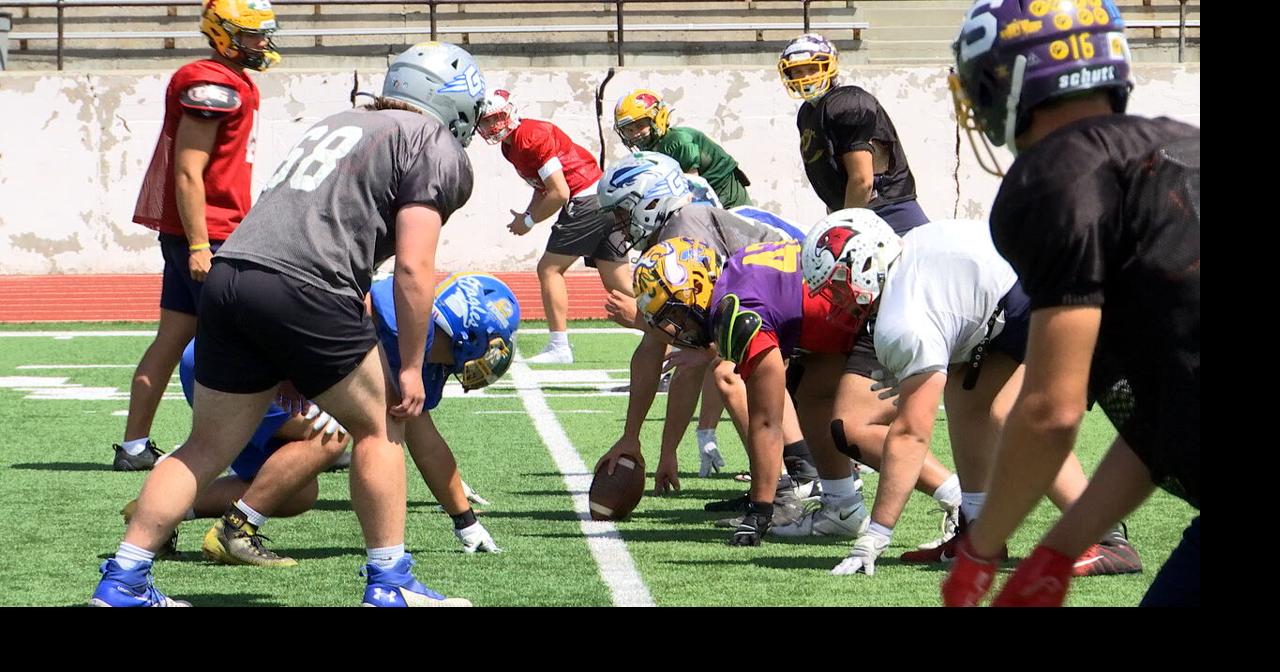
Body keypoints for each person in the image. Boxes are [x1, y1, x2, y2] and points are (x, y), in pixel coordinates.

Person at [90, 41, 485, 608]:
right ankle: (390, 584)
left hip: (231, 276)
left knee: (203, 446)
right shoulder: (431, 143)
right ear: (449, 100)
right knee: (381, 428)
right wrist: (415, 365)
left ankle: (123, 582)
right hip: (306, 283)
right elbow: (415, 266)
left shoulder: (340, 121)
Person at [941, 0, 1199, 607]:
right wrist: (1062, 546)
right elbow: (1161, 421)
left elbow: (1051, 411)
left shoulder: (1055, 176)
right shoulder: (1181, 148)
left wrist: (983, 547)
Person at [113, 0, 280, 471]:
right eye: (251, 34)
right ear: (222, 33)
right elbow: (188, 172)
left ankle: (133, 446)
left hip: (204, 232)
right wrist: (201, 245)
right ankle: (234, 447)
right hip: (208, 234)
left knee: (173, 335)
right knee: (238, 343)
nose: (262, 42)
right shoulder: (211, 83)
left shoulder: (234, 79)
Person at [477, 89, 630, 365]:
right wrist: (527, 213)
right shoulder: (511, 145)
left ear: (509, 112)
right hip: (602, 199)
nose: (492, 126)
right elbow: (543, 186)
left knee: (549, 269)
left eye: (496, 118)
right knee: (619, 284)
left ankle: (559, 345)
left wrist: (529, 221)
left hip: (587, 199)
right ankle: (671, 334)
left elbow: (559, 192)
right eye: (486, 121)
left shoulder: (529, 137)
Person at [614, 89, 752, 209]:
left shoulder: (679, 142)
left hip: (725, 192)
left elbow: (692, 189)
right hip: (706, 194)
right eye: (629, 130)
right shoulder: (654, 149)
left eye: (639, 126)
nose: (635, 134)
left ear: (657, 118)